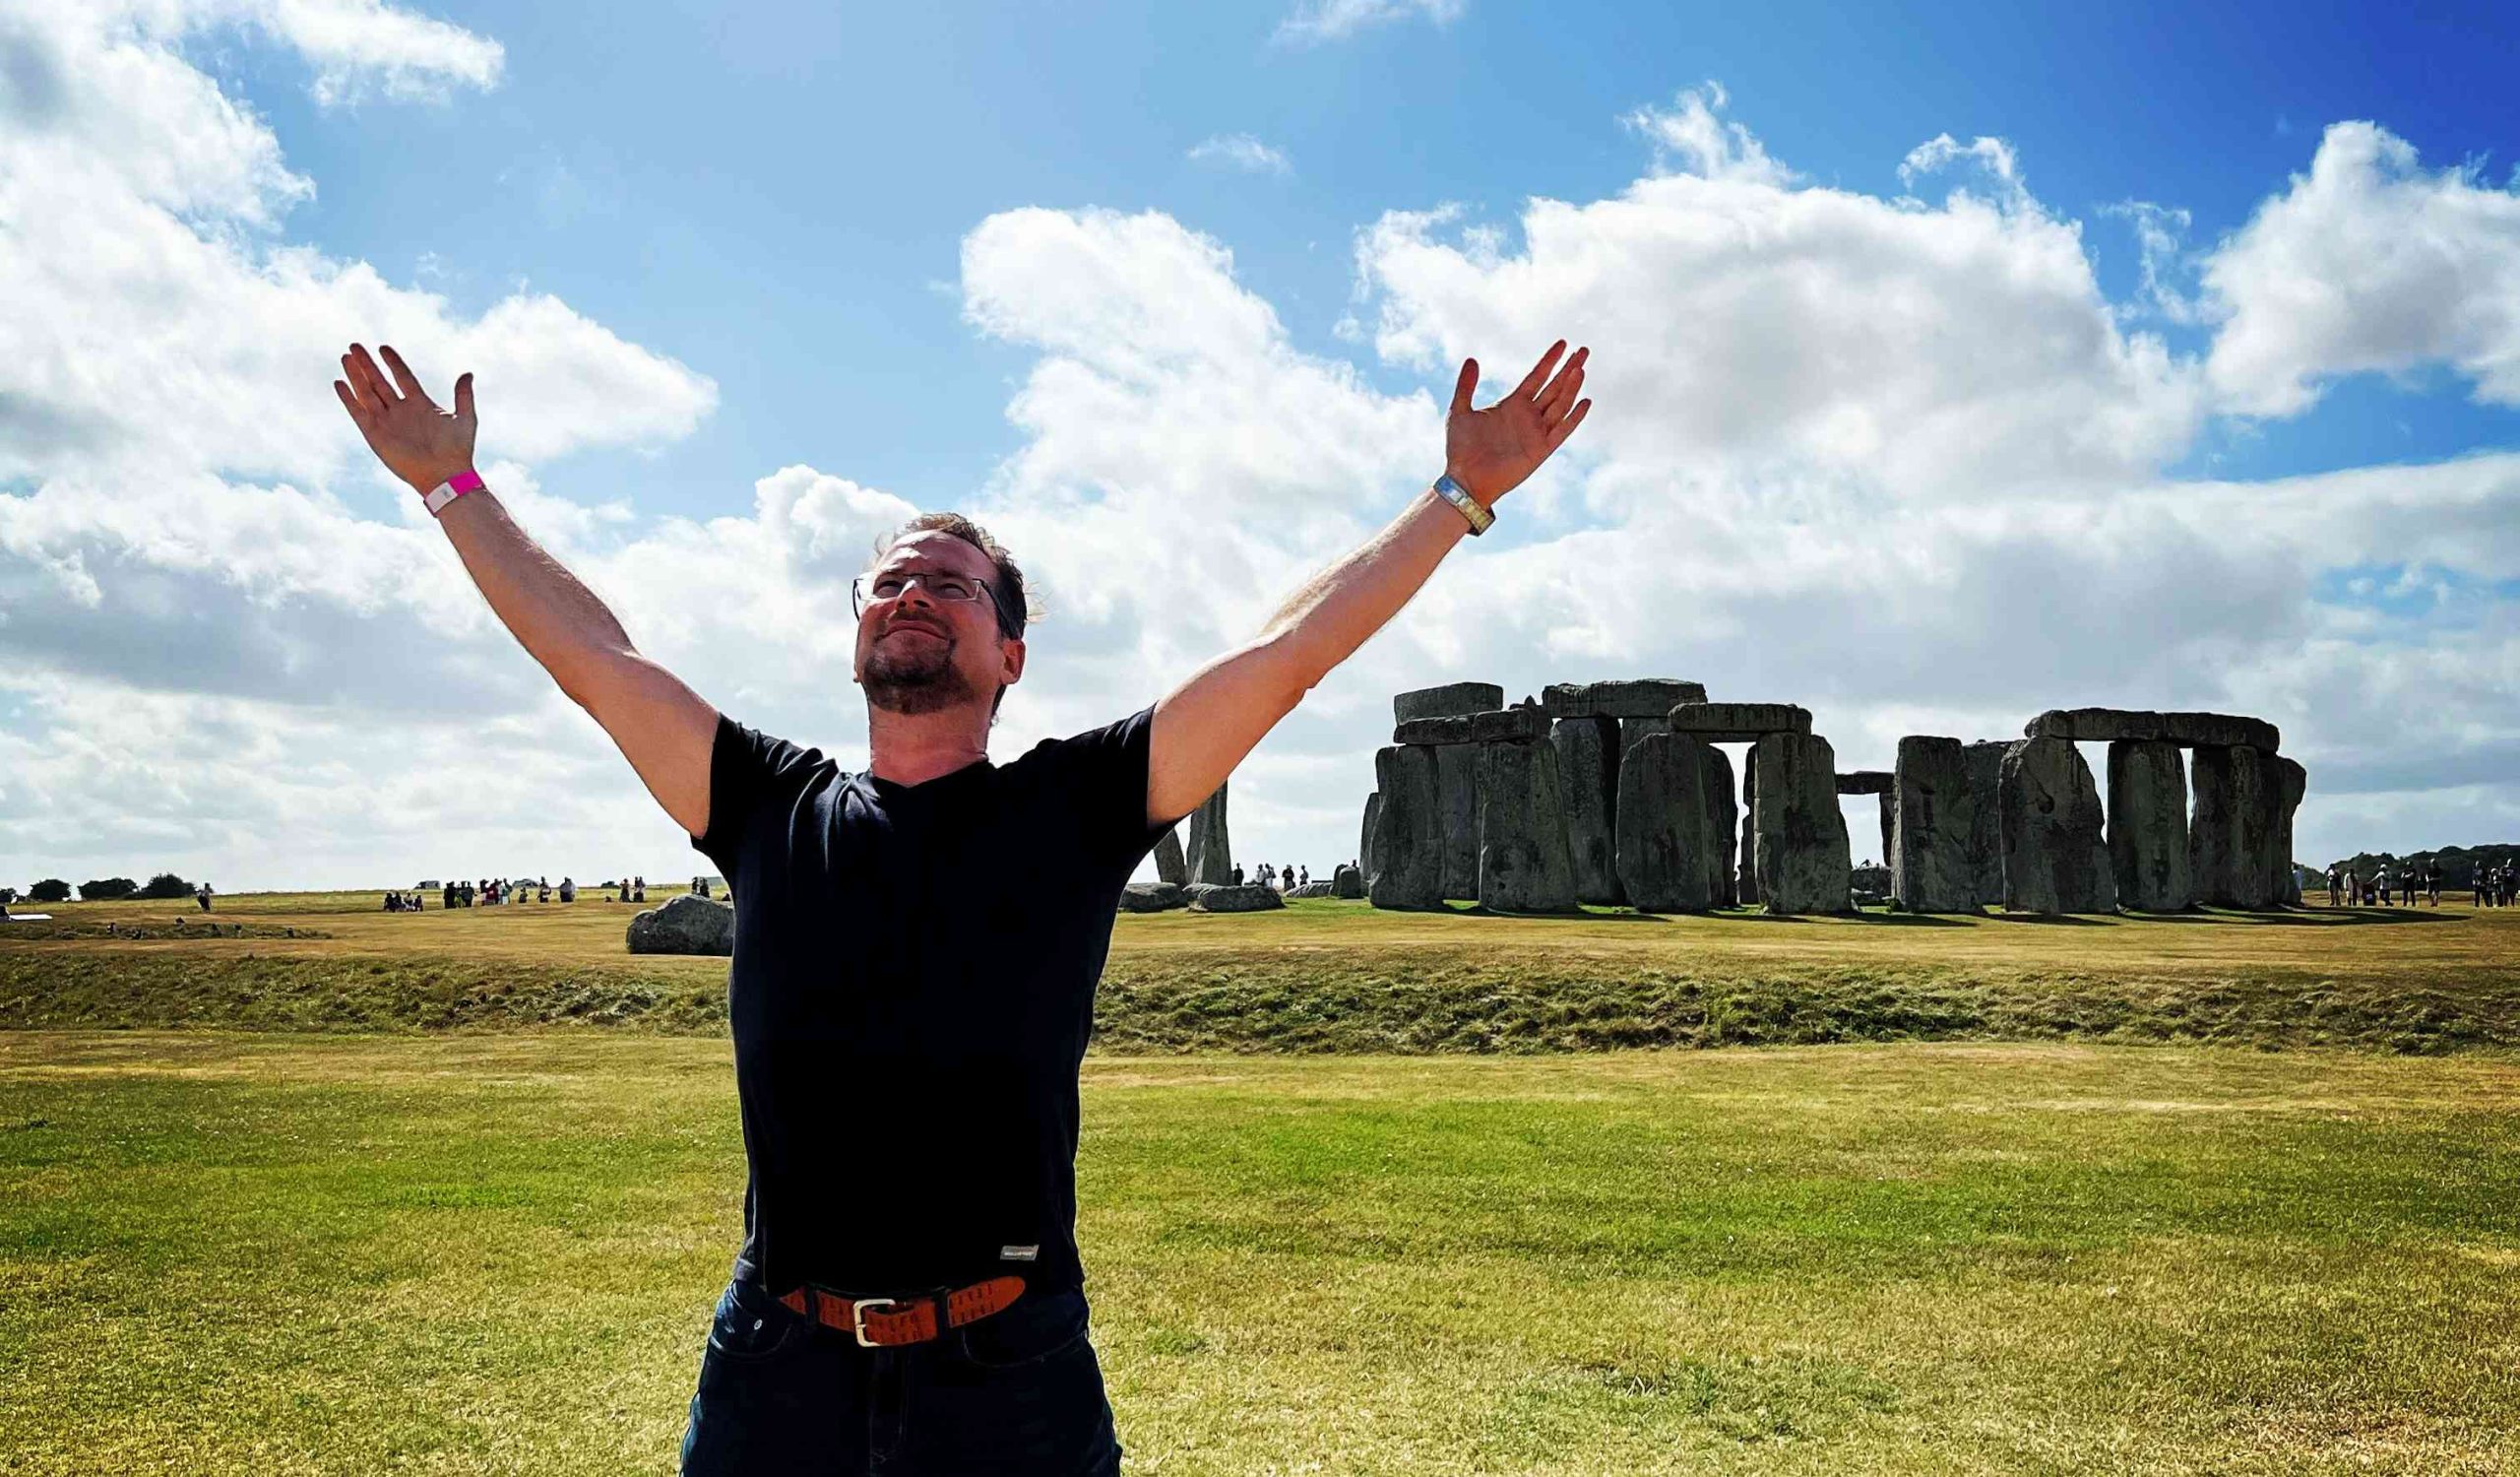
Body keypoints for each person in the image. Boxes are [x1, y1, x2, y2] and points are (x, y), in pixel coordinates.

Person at [333, 331, 1591, 1474]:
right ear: (858, 636)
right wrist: (452, 489)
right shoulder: (771, 806)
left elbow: (1286, 657)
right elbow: (595, 659)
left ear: (1010, 654)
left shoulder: (1075, 806)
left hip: (1010, 1377)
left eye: (951, 585)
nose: (911, 595)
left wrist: (1455, 498)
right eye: (887, 584)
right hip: (779, 1367)